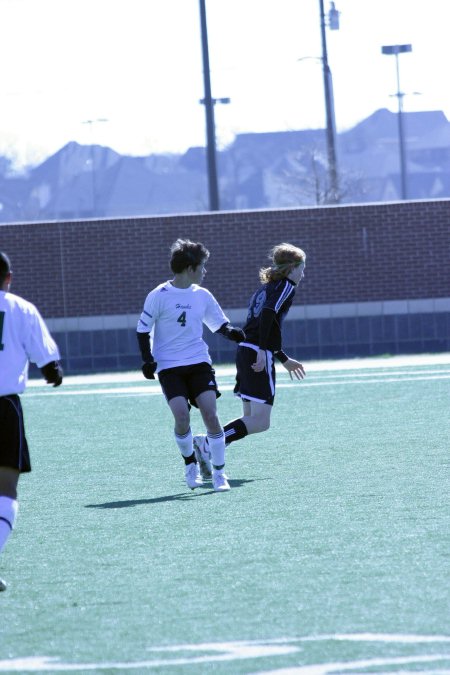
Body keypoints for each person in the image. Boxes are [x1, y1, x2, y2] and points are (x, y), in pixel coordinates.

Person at [136, 239, 245, 493]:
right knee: (182, 417)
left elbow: (220, 325)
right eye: (202, 266)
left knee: (211, 415)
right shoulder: (158, 295)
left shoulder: (202, 295)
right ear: (190, 268)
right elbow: (143, 330)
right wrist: (147, 359)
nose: (205, 271)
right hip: (169, 367)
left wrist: (236, 334)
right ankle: (190, 464)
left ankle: (219, 473)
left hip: (198, 363)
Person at [193, 243, 306, 470]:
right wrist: (264, 351)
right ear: (292, 267)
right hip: (256, 351)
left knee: (249, 417)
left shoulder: (265, 288)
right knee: (261, 421)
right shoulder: (286, 286)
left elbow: (265, 323)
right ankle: (209, 442)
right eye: (302, 267)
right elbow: (267, 315)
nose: (303, 273)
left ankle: (211, 448)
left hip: (245, 348)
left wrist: (282, 358)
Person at [0, 252, 63, 592]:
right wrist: (52, 370)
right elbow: (48, 361)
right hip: (4, 407)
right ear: (8, 277)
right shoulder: (19, 308)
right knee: (6, 488)